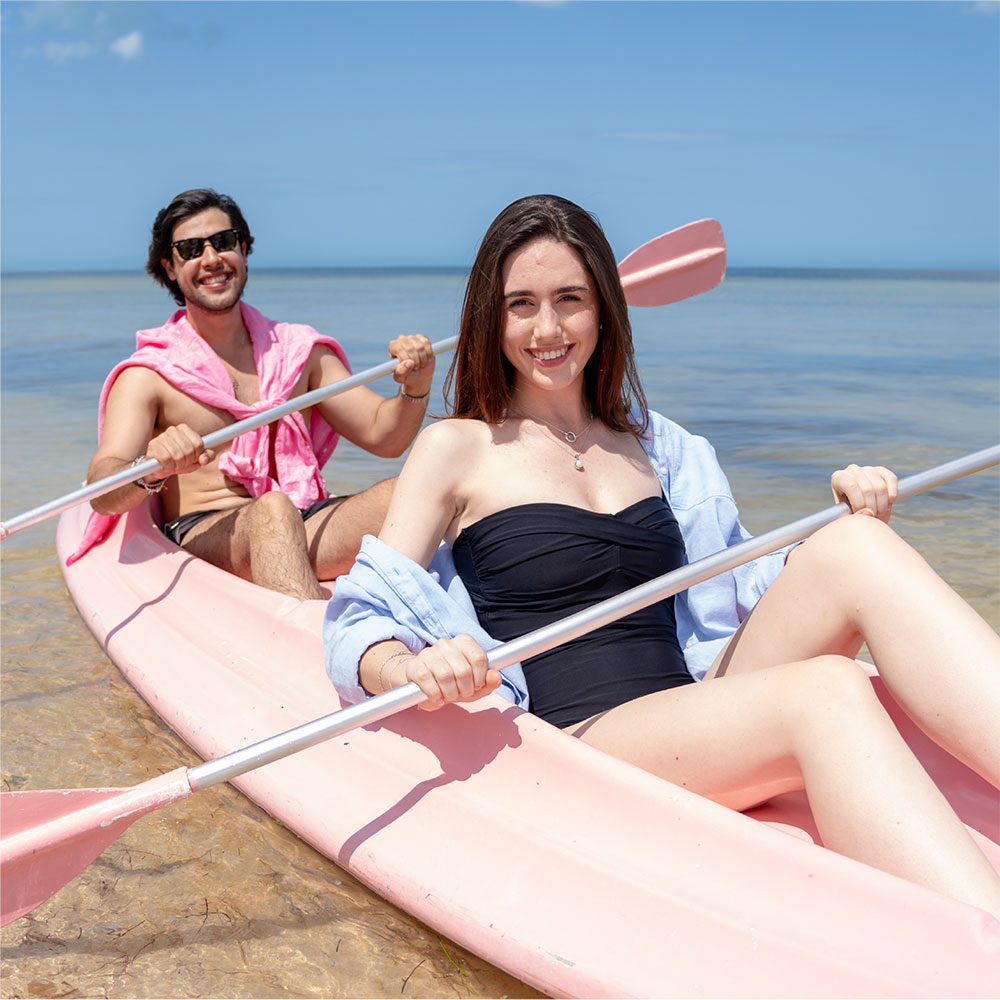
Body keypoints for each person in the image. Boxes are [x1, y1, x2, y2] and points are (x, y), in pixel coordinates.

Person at [323, 194, 1000, 919]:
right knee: (828, 690)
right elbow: (362, 614)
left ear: (605, 310)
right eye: (521, 304)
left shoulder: (662, 446)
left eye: (569, 300)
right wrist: (407, 666)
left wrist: (835, 522)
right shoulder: (457, 448)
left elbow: (740, 583)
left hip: (693, 701)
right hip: (581, 742)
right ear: (492, 318)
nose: (546, 329)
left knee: (856, 547)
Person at [71, 188, 435, 601]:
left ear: (243, 250)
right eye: (190, 249)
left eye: (224, 242)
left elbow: (383, 435)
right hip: (208, 529)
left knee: (405, 493)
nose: (211, 259)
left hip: (304, 516)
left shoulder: (299, 351)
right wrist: (152, 466)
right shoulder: (148, 376)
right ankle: (315, 642)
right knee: (272, 512)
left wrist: (415, 385)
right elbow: (101, 491)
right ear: (169, 268)